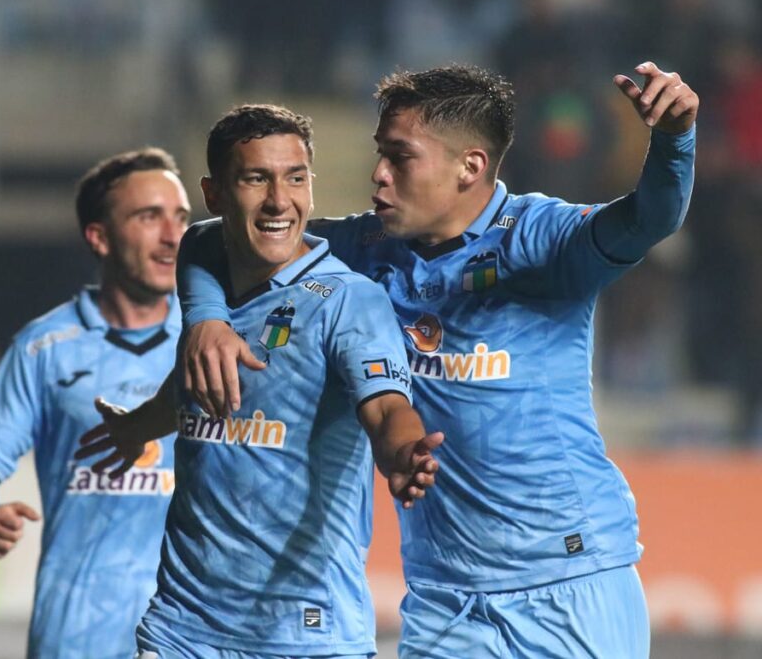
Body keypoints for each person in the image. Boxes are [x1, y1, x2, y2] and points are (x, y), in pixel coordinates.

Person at [176, 63, 698, 658]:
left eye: (400, 157)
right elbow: (213, 236)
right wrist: (205, 317)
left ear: (469, 166)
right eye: (380, 153)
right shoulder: (364, 248)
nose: (378, 175)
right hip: (445, 598)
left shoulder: (541, 240)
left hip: (567, 581)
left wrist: (675, 141)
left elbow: (646, 220)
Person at [79, 104, 443, 658]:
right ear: (215, 193)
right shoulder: (207, 272)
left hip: (307, 633)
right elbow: (193, 394)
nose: (280, 200)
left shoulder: (348, 301)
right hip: (183, 629)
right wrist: (137, 427)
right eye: (256, 178)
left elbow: (387, 407)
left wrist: (403, 453)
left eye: (295, 178)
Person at [0, 147, 191, 659]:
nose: (173, 236)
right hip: (77, 633)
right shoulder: (44, 346)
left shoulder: (212, 339)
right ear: (98, 238)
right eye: (149, 217)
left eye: (181, 217)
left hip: (193, 630)